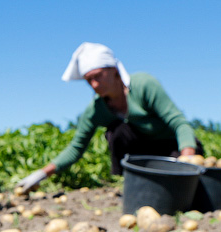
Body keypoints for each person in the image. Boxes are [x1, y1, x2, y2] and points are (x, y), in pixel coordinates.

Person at [17, 43, 203, 194]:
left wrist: (186, 158)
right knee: (117, 132)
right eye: (89, 80)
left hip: (174, 150)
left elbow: (179, 122)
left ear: (114, 70)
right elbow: (76, 147)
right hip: (144, 157)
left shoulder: (143, 85)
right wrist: (42, 174)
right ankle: (131, 184)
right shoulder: (96, 109)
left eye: (98, 76)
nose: (94, 84)